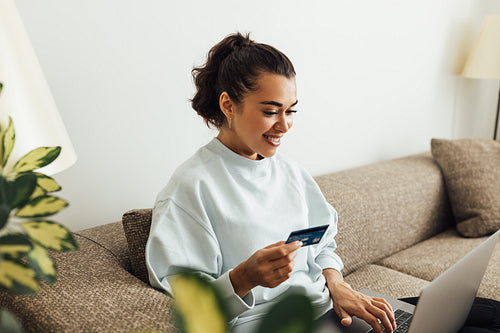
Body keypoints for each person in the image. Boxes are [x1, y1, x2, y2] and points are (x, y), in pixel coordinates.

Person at [145, 32, 500, 333]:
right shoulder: (192, 189)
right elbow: (184, 305)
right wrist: (243, 278)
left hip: (332, 311)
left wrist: (339, 285)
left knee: (483, 313)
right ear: (228, 105)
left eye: (291, 110)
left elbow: (323, 242)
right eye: (271, 111)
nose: (284, 126)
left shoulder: (289, 173)